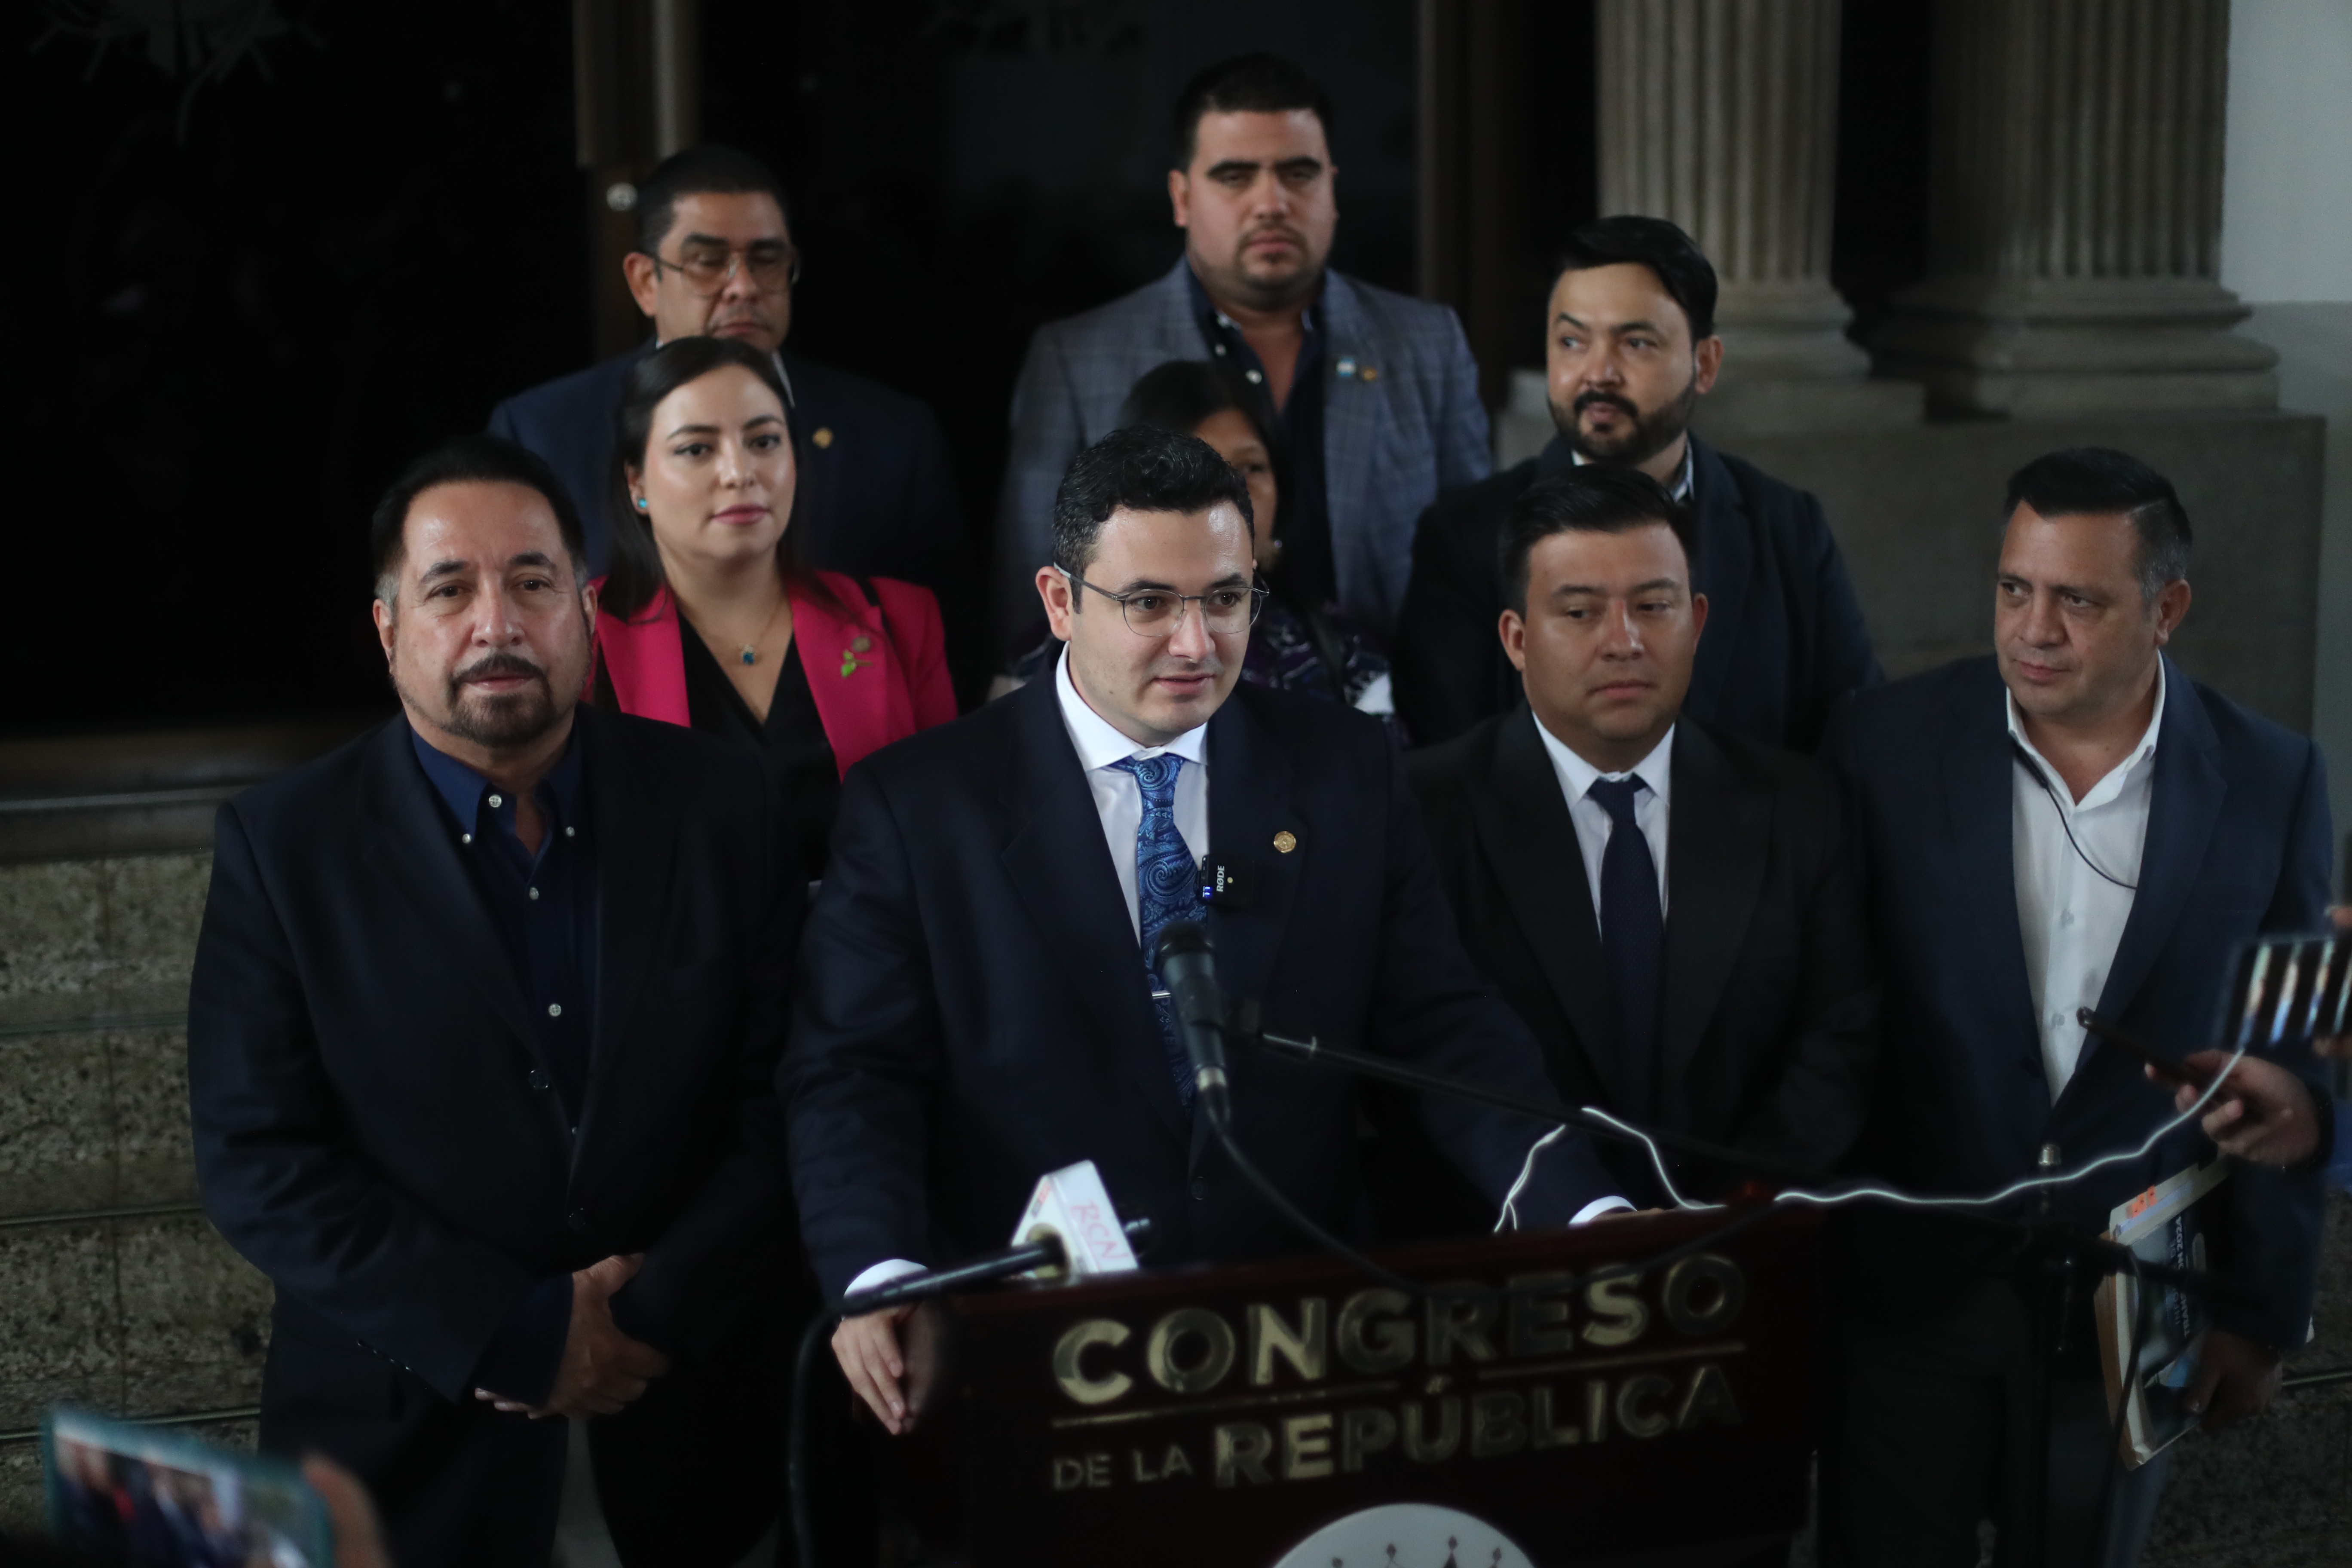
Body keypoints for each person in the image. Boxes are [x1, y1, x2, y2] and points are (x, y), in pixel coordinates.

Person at [784, 426, 1629, 1435]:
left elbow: (1442, 1025)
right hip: (1032, 1359)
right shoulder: (920, 809)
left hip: (1297, 1343)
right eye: (1147, 603)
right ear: (1059, 602)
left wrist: (1582, 1213)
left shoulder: (1345, 774)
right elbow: (850, 1073)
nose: (1195, 643)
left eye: (1224, 598)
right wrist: (882, 1274)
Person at [187, 435, 801, 1567]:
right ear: (389, 629)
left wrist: (648, 1318)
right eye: (450, 589)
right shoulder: (286, 849)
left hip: (690, 1419)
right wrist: (510, 1332)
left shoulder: (725, 806)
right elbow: (257, 1157)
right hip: (403, 1448)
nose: (497, 623)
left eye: (532, 582)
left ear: (583, 608)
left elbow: (782, 1098)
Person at [1819, 447, 2333, 1568]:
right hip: (1915, 1289)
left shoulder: (2274, 780)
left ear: (2168, 609)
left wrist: (2266, 1307)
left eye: (2078, 600)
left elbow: (2295, 1070)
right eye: (2015, 589)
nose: (2033, 630)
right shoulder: (1884, 746)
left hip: (2133, 1309)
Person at [1405, 466, 1875, 1216]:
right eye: (1581, 613)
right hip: (1502, 1262)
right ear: (1517, 638)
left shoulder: (1796, 803)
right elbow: (1424, 1057)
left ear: (1695, 619)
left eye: (1652, 607)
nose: (1622, 642)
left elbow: (1841, 1037)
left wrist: (1735, 1209)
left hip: (1748, 1246)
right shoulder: (1424, 814)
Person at [993, 53, 1491, 648]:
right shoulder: (1077, 360)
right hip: (1164, 720)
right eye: (1235, 176)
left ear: (1332, 187)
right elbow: (1030, 597)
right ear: (1181, 197)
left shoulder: (1427, 344)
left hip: (1392, 717)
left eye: (1298, 173)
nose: (1271, 203)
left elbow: (1476, 566)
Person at [488, 145, 977, 696]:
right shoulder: (543, 431)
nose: (743, 286)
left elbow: (948, 648)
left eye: (766, 260)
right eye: (708, 261)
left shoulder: (892, 435)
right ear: (646, 281)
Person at [1392, 215, 1880, 750]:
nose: (1598, 372)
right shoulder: (1465, 536)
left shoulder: (1786, 526)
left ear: (1705, 363)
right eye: (1572, 342)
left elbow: (1855, 731)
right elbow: (1447, 766)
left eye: (1637, 344)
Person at [590, 335, 955, 877]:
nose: (740, 472)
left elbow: (948, 833)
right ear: (637, 482)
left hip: (875, 950)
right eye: (697, 449)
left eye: (764, 442)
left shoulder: (902, 619)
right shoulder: (580, 632)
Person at [1006, 358, 1401, 737]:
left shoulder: (1343, 650)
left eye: (1251, 469)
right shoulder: (1038, 669)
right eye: (1148, 603)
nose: (1195, 647)